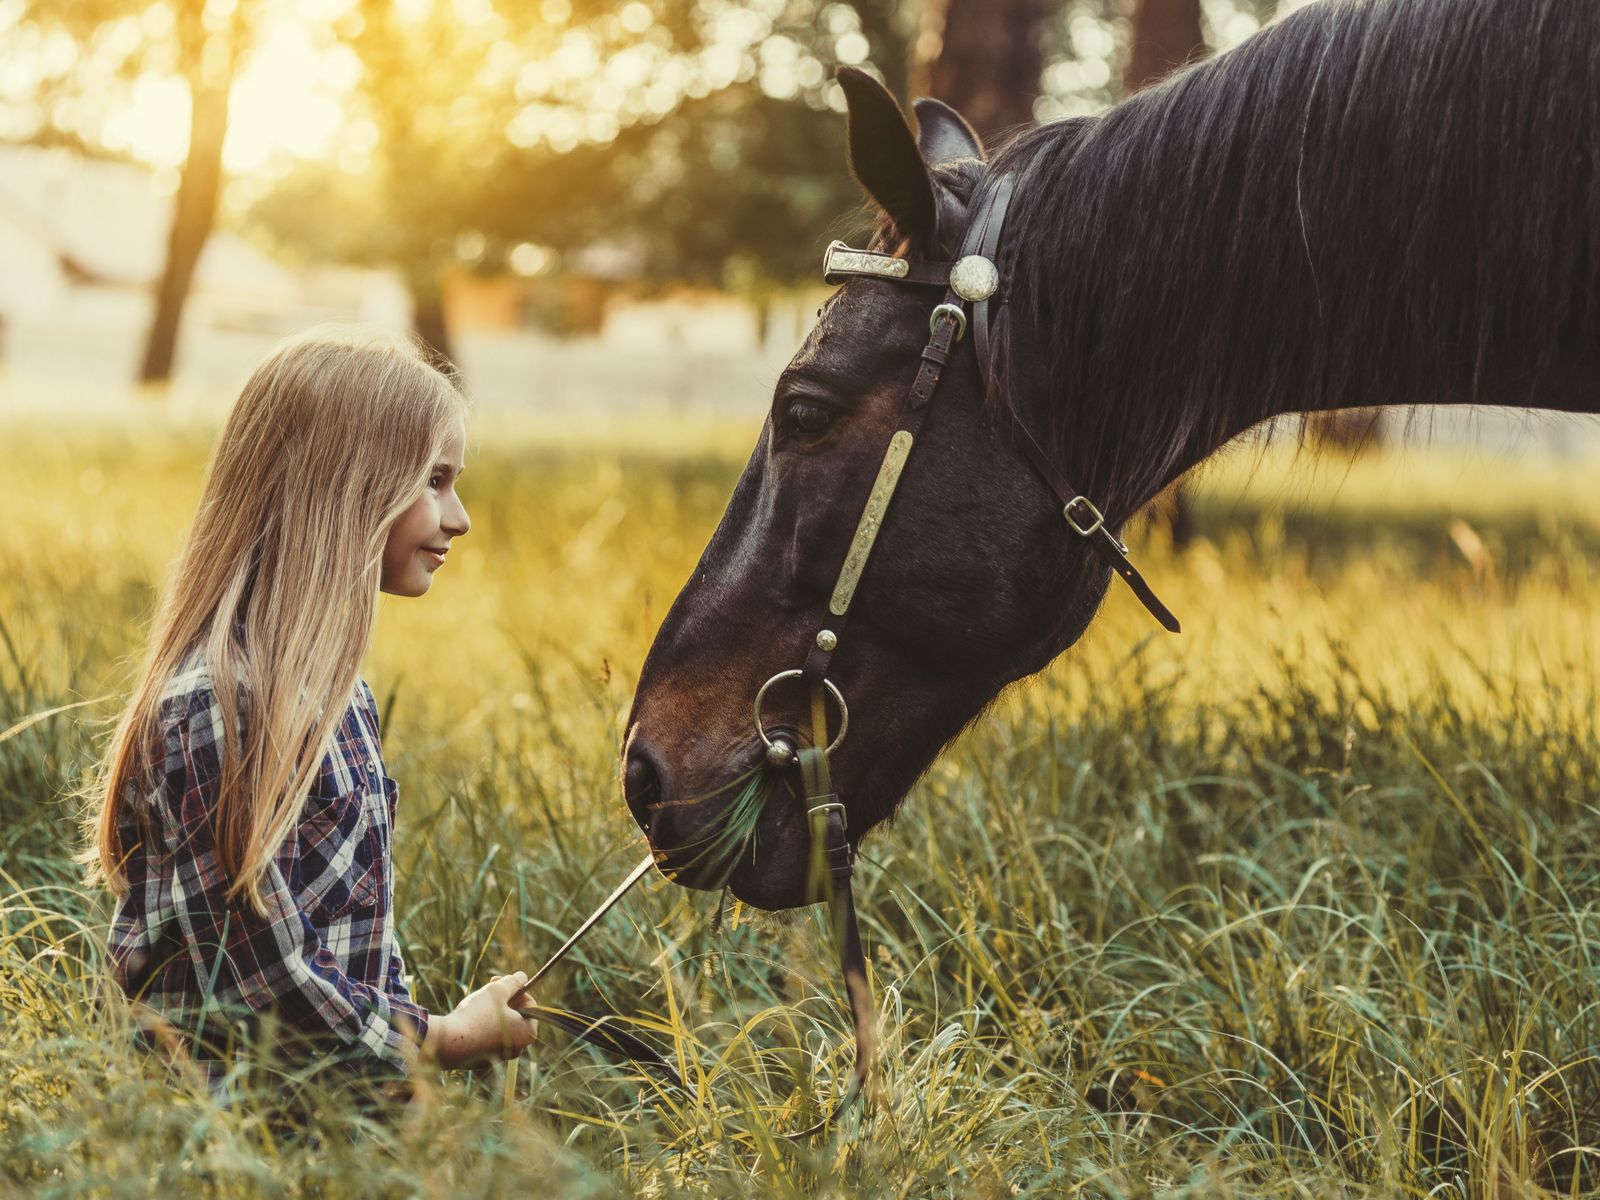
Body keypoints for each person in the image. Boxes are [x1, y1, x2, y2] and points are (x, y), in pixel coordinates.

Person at [78, 327, 536, 1101]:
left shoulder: (338, 695)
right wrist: (446, 1040)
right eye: (433, 480)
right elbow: (268, 989)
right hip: (223, 1135)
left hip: (327, 1109)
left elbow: (346, 946)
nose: (458, 517)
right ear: (345, 488)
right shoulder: (222, 709)